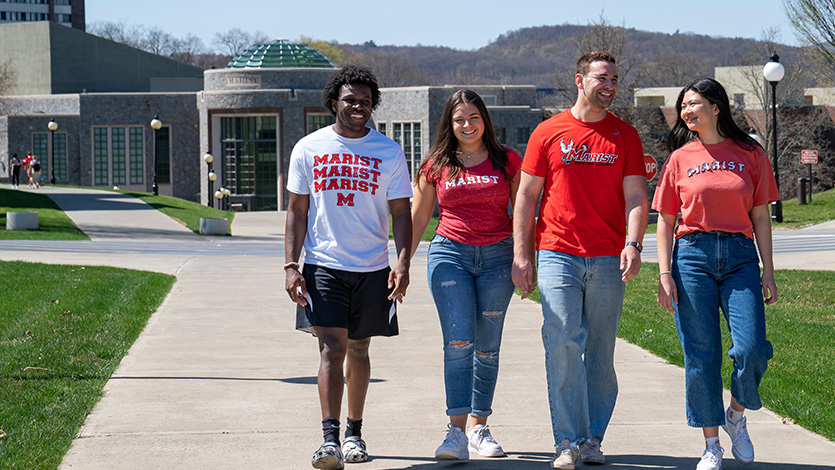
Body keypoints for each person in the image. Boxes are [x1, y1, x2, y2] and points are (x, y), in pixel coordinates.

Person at [512, 50, 648, 470]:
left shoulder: (625, 135)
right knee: (564, 340)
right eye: (601, 78)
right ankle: (567, 440)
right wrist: (522, 255)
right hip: (558, 252)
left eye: (614, 79)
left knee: (602, 353)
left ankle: (593, 439)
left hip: (608, 256)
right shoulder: (548, 131)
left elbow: (636, 195)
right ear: (579, 80)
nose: (609, 86)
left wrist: (634, 244)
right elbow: (527, 196)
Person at [284, 64, 413, 470]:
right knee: (331, 348)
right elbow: (297, 211)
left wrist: (403, 261)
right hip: (323, 264)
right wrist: (291, 265)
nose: (359, 107)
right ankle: (330, 440)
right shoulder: (309, 148)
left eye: (366, 101)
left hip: (372, 267)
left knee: (359, 347)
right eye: (350, 100)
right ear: (333, 102)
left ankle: (355, 434)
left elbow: (401, 212)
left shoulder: (389, 151)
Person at [653, 78, 778, 470]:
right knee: (701, 354)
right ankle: (711, 444)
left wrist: (768, 269)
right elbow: (665, 221)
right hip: (692, 257)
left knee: (752, 348)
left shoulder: (750, 153)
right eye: (683, 106)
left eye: (693, 103)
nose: (686, 111)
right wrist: (664, 273)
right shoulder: (679, 159)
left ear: (716, 106)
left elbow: (761, 215)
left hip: (740, 257)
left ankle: (736, 415)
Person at [410, 90, 522, 460]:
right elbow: (419, 217)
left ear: (484, 120)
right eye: (459, 119)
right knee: (458, 344)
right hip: (450, 257)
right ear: (450, 123)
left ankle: (479, 427)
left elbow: (524, 211)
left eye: (474, 117)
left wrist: (525, 258)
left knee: (487, 347)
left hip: (498, 258)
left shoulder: (507, 161)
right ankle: (455, 434)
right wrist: (402, 263)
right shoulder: (436, 164)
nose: (467, 125)